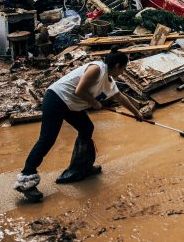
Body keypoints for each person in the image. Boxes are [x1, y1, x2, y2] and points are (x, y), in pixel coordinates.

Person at [14, 47, 143, 202]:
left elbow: (121, 98)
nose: (123, 72)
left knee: (86, 127)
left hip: (70, 104)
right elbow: (79, 90)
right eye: (123, 69)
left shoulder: (108, 80)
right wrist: (95, 103)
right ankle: (26, 180)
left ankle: (82, 166)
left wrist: (137, 113)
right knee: (47, 139)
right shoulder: (97, 69)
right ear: (117, 66)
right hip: (56, 98)